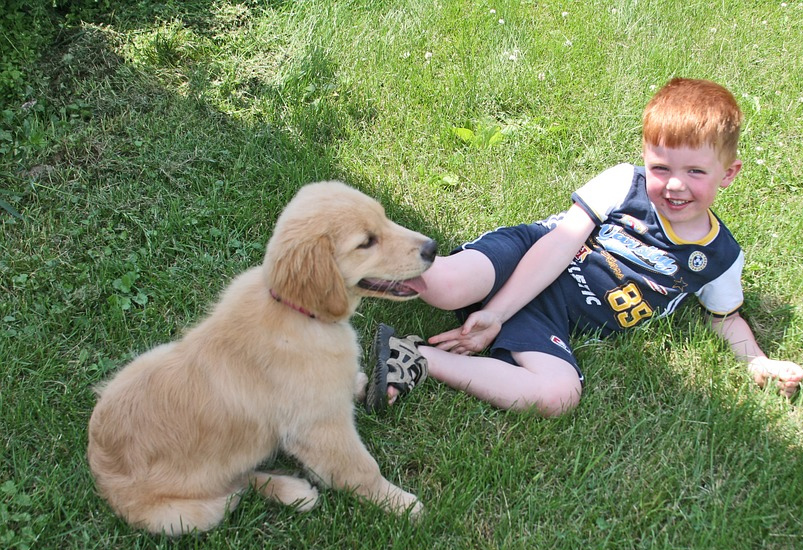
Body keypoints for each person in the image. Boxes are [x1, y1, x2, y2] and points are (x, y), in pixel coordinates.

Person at [364, 77, 803, 417]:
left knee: (559, 394)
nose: (674, 184)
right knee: (446, 288)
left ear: (729, 174)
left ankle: (417, 356)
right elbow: (560, 242)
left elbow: (725, 318)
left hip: (555, 316)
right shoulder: (623, 184)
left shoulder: (720, 258)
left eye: (695, 171)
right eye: (661, 166)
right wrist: (495, 311)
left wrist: (759, 362)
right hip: (530, 254)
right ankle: (359, 246)